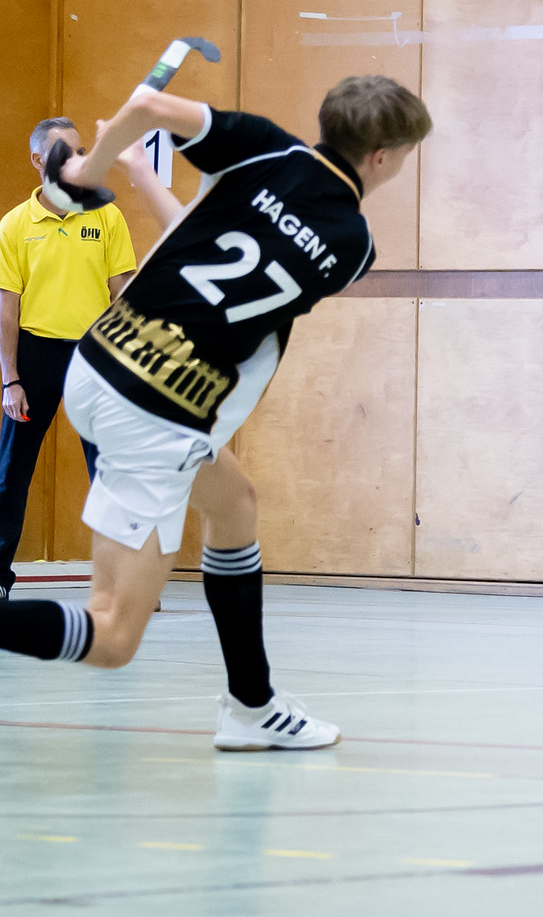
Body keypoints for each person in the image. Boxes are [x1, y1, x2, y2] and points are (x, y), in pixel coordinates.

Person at [0, 73, 430, 752]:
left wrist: (99, 165)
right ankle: (250, 707)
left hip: (97, 360)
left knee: (234, 504)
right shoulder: (353, 247)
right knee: (112, 634)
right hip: (154, 413)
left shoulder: (263, 146)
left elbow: (146, 107)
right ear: (383, 157)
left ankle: (251, 704)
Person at [0, 119, 138, 599]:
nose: (77, 160)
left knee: (110, 472)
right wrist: (9, 379)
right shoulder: (14, 225)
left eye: (81, 151)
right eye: (65, 152)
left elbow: (123, 294)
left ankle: (123, 583)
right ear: (38, 160)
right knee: (10, 472)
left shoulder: (107, 217)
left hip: (95, 356)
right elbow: (7, 309)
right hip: (35, 355)